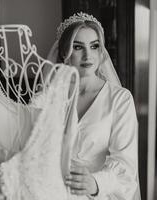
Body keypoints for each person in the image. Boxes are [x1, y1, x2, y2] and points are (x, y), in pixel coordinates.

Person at [45, 12, 140, 199]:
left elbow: (126, 165)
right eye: (78, 47)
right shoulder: (52, 97)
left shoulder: (120, 99)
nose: (88, 55)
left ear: (101, 51)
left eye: (94, 46)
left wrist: (96, 183)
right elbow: (20, 134)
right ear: (65, 52)